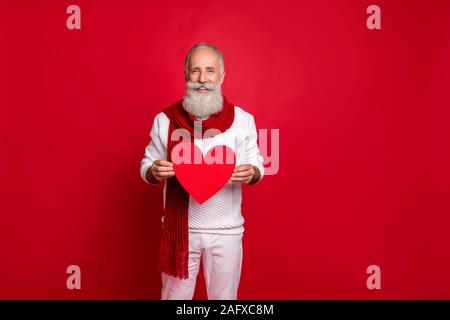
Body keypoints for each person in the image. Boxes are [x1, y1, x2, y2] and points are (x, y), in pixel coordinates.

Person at [140, 43, 264, 300]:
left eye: (210, 70)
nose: (202, 78)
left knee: (224, 301)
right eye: (195, 71)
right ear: (186, 76)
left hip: (227, 232)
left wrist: (251, 172)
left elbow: (258, 165)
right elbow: (146, 166)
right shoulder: (165, 120)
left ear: (222, 76)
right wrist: (154, 171)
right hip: (181, 233)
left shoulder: (243, 120)